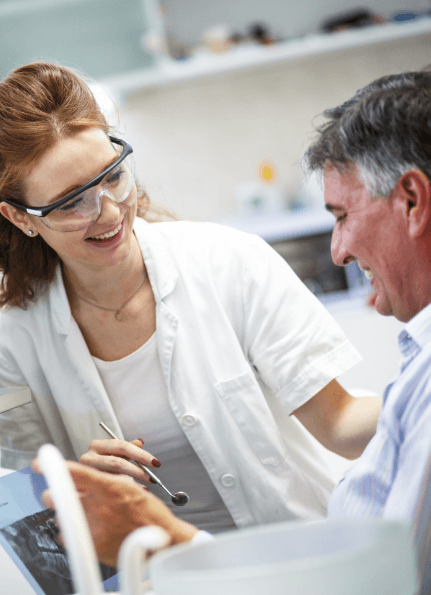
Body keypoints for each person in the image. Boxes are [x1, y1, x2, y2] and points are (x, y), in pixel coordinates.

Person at [35, 67, 431, 567]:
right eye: (72, 202)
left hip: (293, 562)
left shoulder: (227, 260)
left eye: (113, 177)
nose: (108, 211)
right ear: (20, 216)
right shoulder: (17, 333)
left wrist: (413, 404)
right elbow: (29, 505)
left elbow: (340, 424)